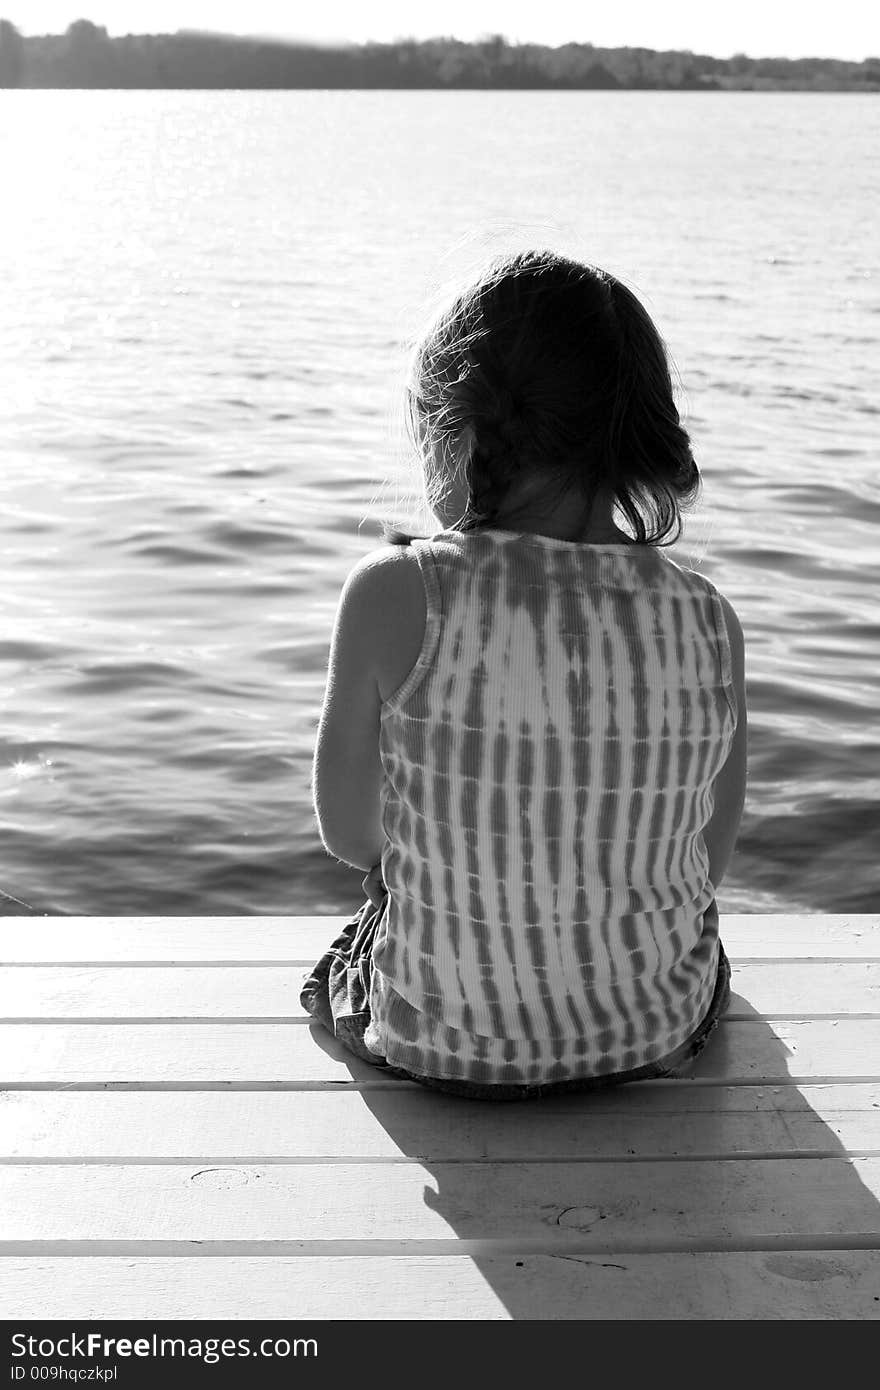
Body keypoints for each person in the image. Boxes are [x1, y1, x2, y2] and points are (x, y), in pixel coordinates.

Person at [302, 249, 747, 1101]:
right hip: (655, 1035)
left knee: (355, 944)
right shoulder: (706, 616)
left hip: (441, 1049)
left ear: (454, 428)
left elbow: (351, 836)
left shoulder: (398, 591)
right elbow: (707, 858)